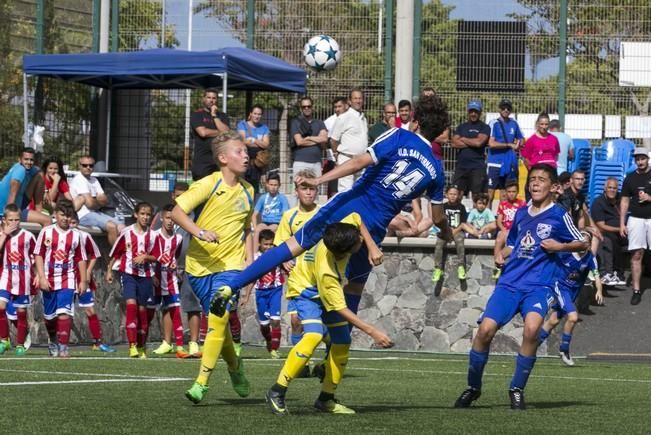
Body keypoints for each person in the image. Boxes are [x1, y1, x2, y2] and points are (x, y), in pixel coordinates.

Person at [208, 95, 452, 324]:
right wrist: (445, 232)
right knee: (354, 287)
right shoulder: (436, 169)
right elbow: (438, 216)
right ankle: (332, 357)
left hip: (349, 205)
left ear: (416, 121)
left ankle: (232, 286)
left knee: (292, 246)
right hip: (376, 226)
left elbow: (358, 162)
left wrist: (319, 180)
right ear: (439, 131)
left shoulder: (398, 135)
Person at [454, 164, 587, 410]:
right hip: (510, 283)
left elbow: (582, 243)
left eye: (541, 180)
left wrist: (560, 247)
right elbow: (514, 244)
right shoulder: (522, 213)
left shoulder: (559, 215)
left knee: (532, 329)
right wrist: (500, 253)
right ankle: (473, 387)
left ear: (553, 187)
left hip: (539, 286)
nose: (535, 183)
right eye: (532, 179)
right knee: (485, 331)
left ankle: (516, 388)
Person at [265, 220, 394, 416]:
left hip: (321, 288)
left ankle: (326, 399)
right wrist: (373, 331)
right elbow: (340, 308)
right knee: (313, 336)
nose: (360, 238)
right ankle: (277, 390)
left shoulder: (338, 232)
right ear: (344, 252)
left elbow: (356, 217)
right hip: (306, 291)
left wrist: (371, 245)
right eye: (358, 241)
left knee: (342, 341)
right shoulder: (328, 272)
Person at [171, 131, 253, 404]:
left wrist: (249, 263)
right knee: (222, 328)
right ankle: (235, 367)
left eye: (246, 151)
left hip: (230, 266)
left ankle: (201, 382)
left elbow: (246, 230)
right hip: (198, 266)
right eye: (239, 151)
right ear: (222, 158)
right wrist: (199, 232)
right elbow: (177, 212)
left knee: (217, 318)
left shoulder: (250, 190)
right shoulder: (208, 184)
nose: (246, 155)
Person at [150, 182, 204, 358]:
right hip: (165, 268)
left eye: (185, 195)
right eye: (178, 195)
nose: (181, 198)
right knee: (167, 305)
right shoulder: (161, 216)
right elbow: (152, 239)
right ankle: (167, 342)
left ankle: (194, 343)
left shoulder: (195, 216)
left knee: (192, 304)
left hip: (190, 265)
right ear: (173, 196)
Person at [274, 169, 320, 363]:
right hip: (298, 279)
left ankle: (326, 362)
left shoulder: (323, 213)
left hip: (320, 279)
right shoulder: (289, 217)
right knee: (296, 321)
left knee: (324, 328)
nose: (308, 192)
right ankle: (302, 362)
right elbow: (280, 244)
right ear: (297, 191)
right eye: (304, 188)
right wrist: (284, 259)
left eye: (312, 188)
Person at [538, 230, 604, 366]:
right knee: (573, 317)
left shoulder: (590, 257)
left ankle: (530, 346)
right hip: (560, 287)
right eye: (580, 240)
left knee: (553, 320)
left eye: (586, 242)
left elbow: (596, 275)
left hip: (573, 292)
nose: (582, 244)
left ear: (589, 245)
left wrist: (599, 290)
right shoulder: (565, 252)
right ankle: (564, 350)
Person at [35, 199, 88, 358]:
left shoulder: (76, 235)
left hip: (68, 278)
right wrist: (42, 277)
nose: (65, 218)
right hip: (49, 279)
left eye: (68, 215)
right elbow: (39, 255)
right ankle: (53, 339)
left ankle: (64, 347)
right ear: (55, 215)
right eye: (62, 214)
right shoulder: (46, 232)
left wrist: (83, 280)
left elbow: (80, 258)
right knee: (50, 318)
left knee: (64, 313)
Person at [105, 202, 157, 358]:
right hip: (128, 275)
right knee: (132, 307)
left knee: (142, 312)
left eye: (148, 214)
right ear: (136, 215)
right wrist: (109, 270)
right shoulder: (127, 232)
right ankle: (132, 346)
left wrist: (146, 257)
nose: (145, 217)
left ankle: (142, 346)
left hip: (146, 277)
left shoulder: (153, 235)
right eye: (142, 213)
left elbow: (157, 256)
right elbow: (116, 253)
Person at [70, 214, 115, 353]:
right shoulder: (57, 234)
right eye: (69, 222)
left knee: (90, 310)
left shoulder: (84, 236)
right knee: (61, 313)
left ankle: (97, 342)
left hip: (81, 278)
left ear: (77, 222)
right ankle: (58, 342)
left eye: (74, 222)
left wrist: (88, 271)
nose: (71, 225)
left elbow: (94, 255)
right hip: (64, 279)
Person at [241, 229, 285, 359]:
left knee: (275, 320)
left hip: (275, 290)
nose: (268, 247)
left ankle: (274, 349)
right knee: (264, 325)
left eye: (271, 244)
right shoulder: (256, 258)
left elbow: (286, 268)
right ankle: (269, 341)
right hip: (261, 293)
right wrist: (247, 295)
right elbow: (252, 278)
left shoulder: (278, 255)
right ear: (260, 244)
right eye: (266, 244)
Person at [0, 204, 36, 356]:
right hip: (6, 277)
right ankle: (4, 340)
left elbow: (37, 256)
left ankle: (20, 344)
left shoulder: (28, 236)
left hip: (23, 279)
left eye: (17, 220)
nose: (14, 223)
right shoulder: (2, 235)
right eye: (11, 220)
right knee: (0, 307)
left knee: (21, 313)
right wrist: (4, 235)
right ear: (4, 220)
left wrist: (39, 275)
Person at [68, 155, 124, 246]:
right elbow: (90, 204)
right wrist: (98, 201)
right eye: (84, 165)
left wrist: (94, 201)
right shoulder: (79, 180)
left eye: (91, 165)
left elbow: (105, 201)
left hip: (95, 213)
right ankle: (115, 257)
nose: (88, 167)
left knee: (122, 227)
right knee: (112, 227)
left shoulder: (94, 180)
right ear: (79, 166)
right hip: (83, 215)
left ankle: (123, 254)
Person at [620, 148, 651, 305]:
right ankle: (637, 290)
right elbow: (624, 201)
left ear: (647, 159)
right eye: (637, 159)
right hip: (636, 219)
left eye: (642, 158)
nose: (640, 162)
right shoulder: (630, 179)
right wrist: (621, 223)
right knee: (637, 254)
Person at [329, 88, 369, 192]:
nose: (358, 101)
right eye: (355, 98)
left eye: (360, 98)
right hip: (347, 159)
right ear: (350, 101)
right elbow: (333, 140)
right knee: (345, 192)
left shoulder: (364, 119)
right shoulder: (343, 118)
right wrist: (336, 156)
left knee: (359, 192)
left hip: (361, 162)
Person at [0, 147, 50, 226]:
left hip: (19, 203)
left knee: (40, 175)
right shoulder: (20, 171)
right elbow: (12, 195)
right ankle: (43, 238)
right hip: (6, 209)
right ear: (20, 160)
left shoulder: (31, 168)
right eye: (26, 159)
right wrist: (9, 218)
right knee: (47, 221)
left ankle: (38, 210)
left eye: (31, 160)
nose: (29, 162)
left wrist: (46, 190)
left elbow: (40, 172)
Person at [487, 98, 524, 205]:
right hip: (494, 162)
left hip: (508, 163)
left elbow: (521, 139)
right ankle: (489, 219)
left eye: (508, 108)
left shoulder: (514, 123)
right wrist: (509, 145)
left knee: (505, 194)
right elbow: (491, 143)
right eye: (503, 108)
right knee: (490, 193)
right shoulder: (494, 123)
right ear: (499, 109)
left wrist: (518, 144)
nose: (506, 110)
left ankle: (502, 219)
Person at [451, 100, 490, 198]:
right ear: (468, 112)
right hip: (461, 166)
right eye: (471, 111)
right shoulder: (461, 127)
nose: (473, 114)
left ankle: (475, 214)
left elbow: (479, 142)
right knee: (457, 195)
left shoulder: (484, 127)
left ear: (480, 112)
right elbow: (454, 143)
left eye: (476, 112)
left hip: (477, 167)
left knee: (477, 197)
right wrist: (473, 142)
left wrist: (463, 139)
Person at [591, 178, 627, 286]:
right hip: (608, 231)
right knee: (612, 239)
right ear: (605, 189)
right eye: (610, 187)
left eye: (614, 188)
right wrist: (620, 229)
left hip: (625, 230)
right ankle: (616, 272)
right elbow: (601, 226)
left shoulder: (621, 199)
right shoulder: (599, 202)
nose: (612, 190)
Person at [190, 88, 230, 180]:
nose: (211, 100)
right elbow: (203, 133)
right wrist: (221, 132)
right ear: (204, 99)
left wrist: (214, 116)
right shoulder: (197, 115)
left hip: (219, 160)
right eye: (209, 97)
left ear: (217, 100)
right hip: (202, 162)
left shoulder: (222, 116)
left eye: (214, 98)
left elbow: (227, 132)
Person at [432, 185, 468, 283]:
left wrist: (454, 231)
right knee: (439, 244)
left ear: (458, 196)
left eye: (455, 194)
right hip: (445, 231)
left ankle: (461, 267)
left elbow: (463, 223)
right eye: (451, 194)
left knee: (460, 242)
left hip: (457, 231)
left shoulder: (461, 207)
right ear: (446, 195)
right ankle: (438, 268)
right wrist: (447, 231)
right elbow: (439, 221)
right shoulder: (443, 207)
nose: (453, 196)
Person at [494, 181, 527, 278]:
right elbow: (499, 221)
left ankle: (502, 263)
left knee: (508, 240)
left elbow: (524, 219)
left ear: (517, 192)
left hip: (516, 231)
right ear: (506, 192)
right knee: (499, 238)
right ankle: (497, 264)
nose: (511, 194)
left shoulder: (522, 204)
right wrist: (503, 229)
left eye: (513, 191)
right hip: (505, 230)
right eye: (509, 192)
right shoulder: (502, 204)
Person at [290, 96, 328, 178]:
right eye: (304, 107)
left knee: (315, 189)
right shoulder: (295, 122)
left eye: (309, 106)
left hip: (316, 163)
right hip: (300, 162)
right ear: (301, 108)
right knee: (300, 189)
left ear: (312, 107)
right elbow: (299, 142)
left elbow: (324, 139)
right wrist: (317, 140)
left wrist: (309, 138)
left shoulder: (320, 123)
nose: (306, 108)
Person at [252, 173, 290, 253]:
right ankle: (254, 254)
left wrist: (281, 226)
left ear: (279, 185)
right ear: (267, 185)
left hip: (276, 223)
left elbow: (286, 215)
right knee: (258, 229)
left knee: (270, 230)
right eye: (271, 184)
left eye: (275, 185)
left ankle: (272, 254)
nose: (273, 187)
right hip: (265, 222)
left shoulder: (282, 198)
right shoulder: (263, 198)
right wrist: (255, 227)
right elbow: (254, 215)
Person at [238, 104, 271, 193]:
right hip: (245, 161)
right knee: (242, 186)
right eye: (255, 113)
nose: (257, 116)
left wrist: (254, 140)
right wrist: (260, 143)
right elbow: (243, 141)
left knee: (255, 188)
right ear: (251, 114)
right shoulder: (242, 125)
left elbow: (266, 145)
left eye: (259, 114)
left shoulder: (264, 128)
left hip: (258, 163)